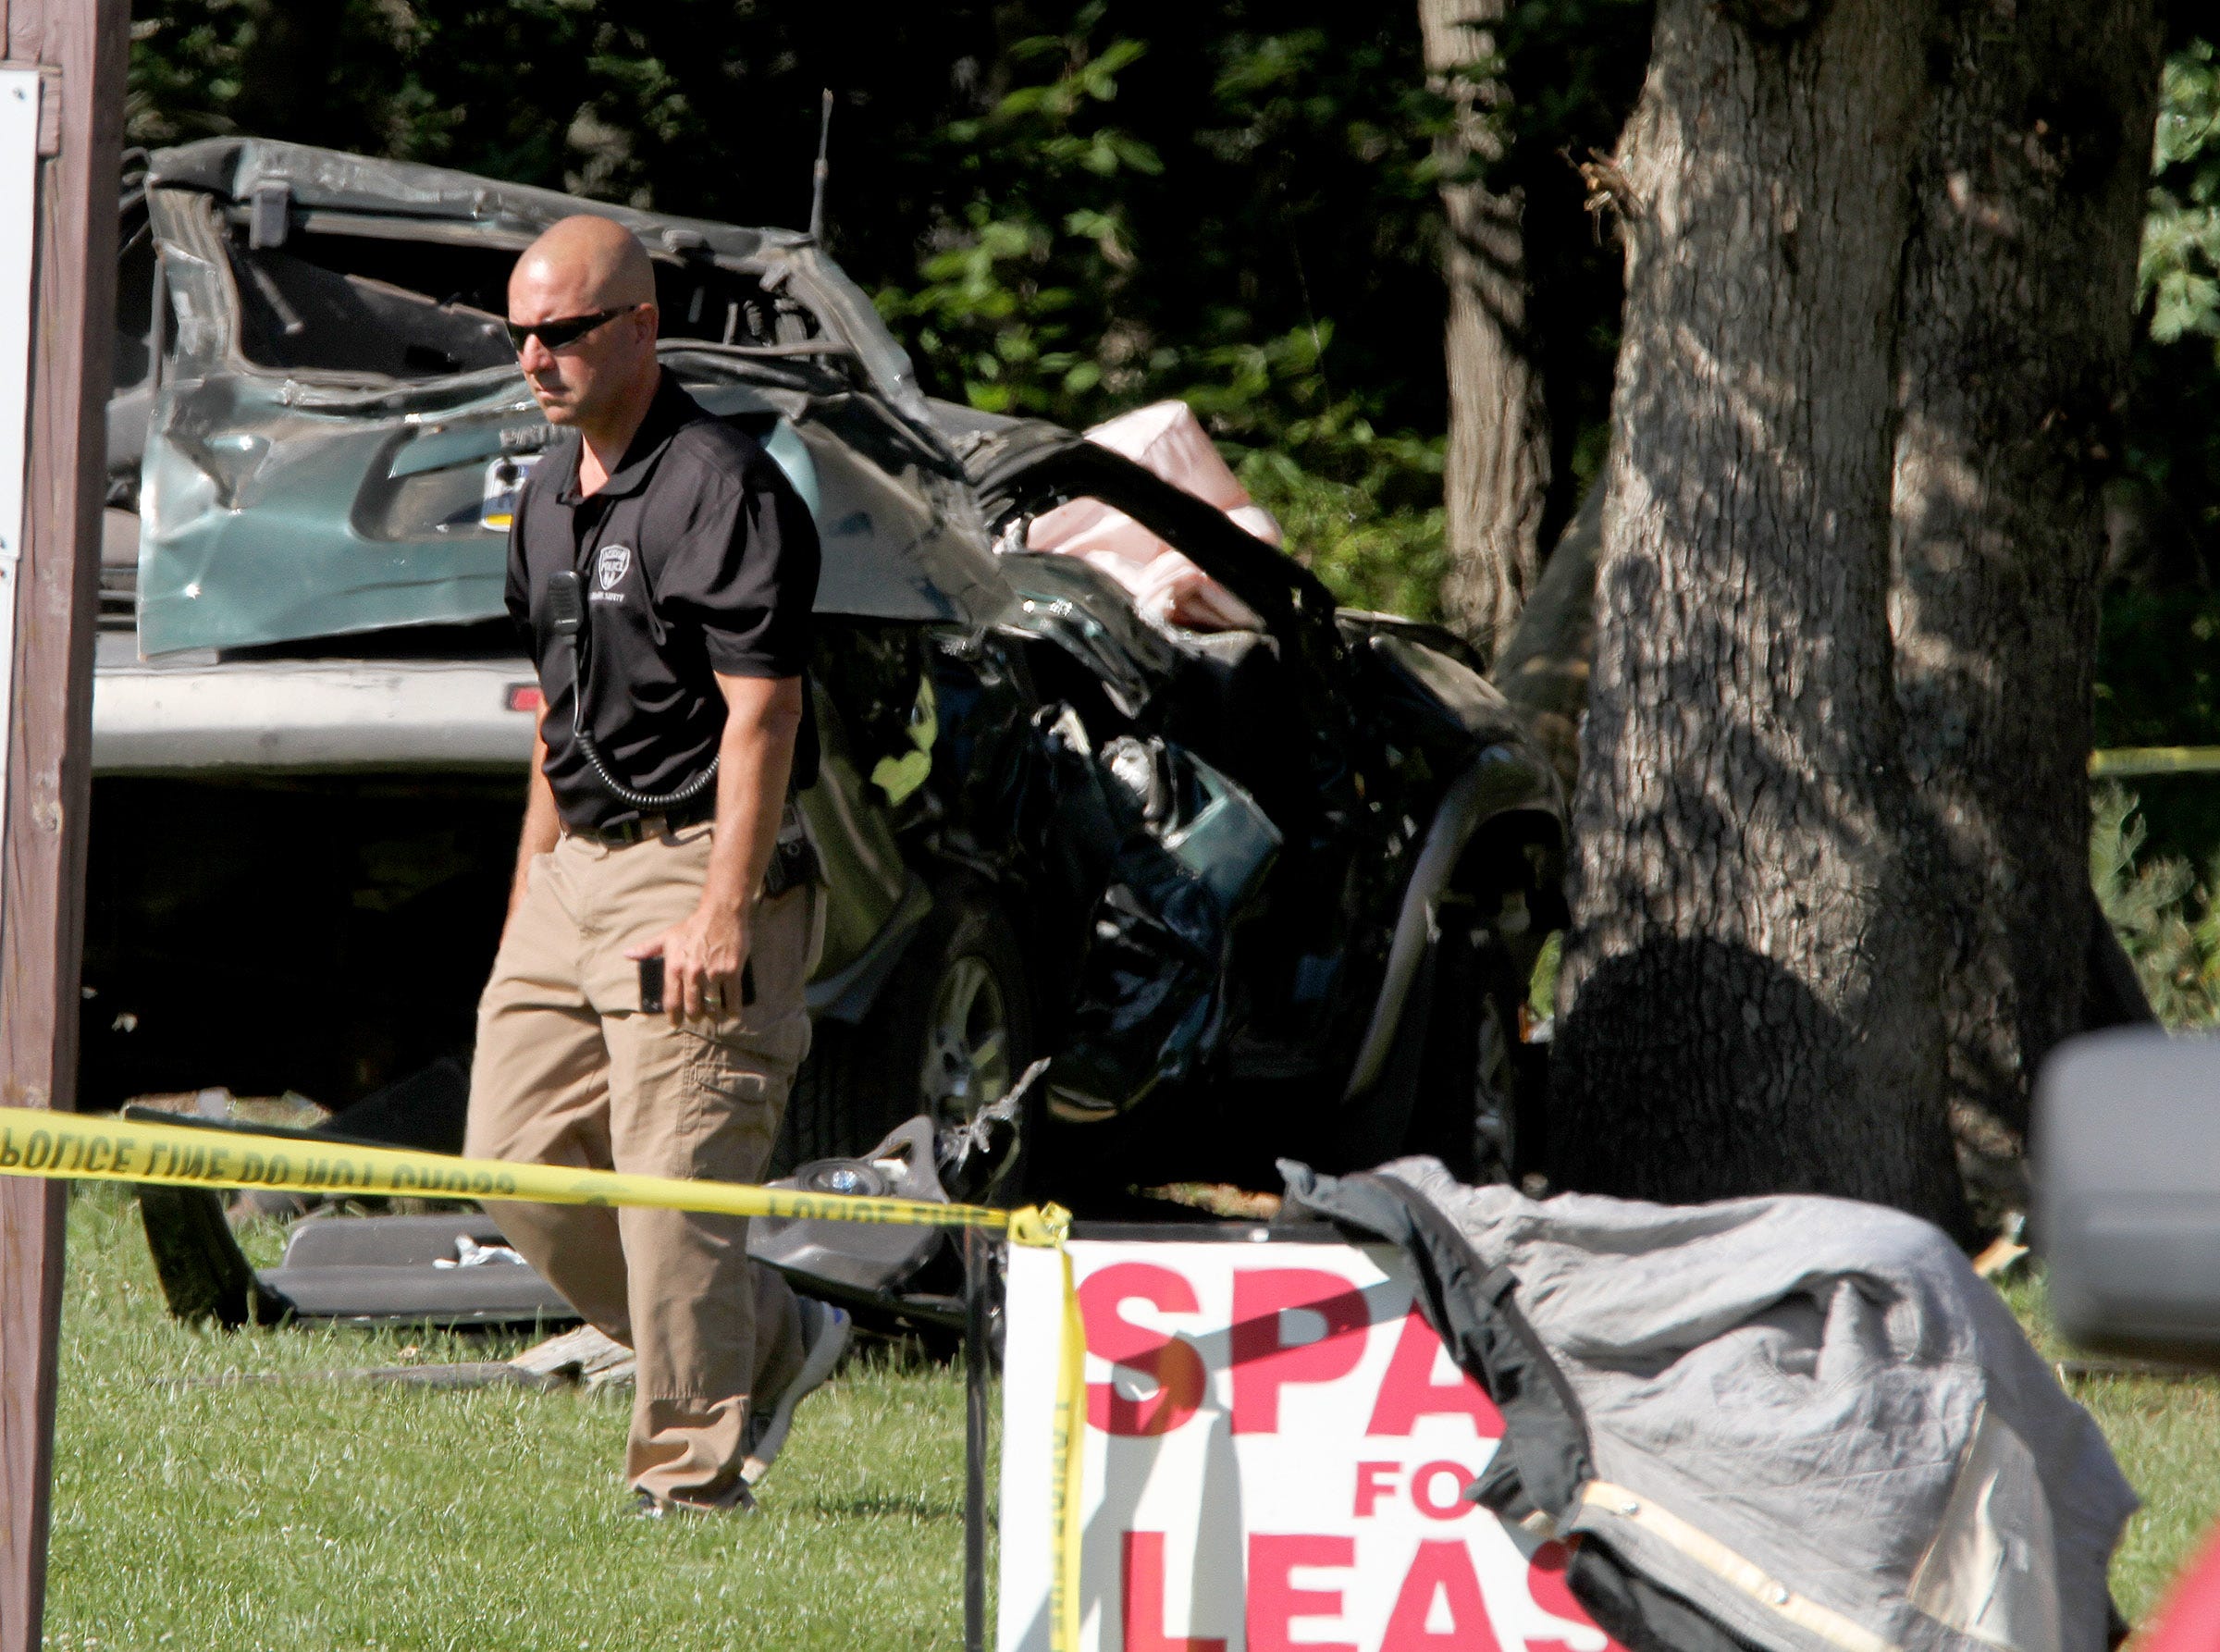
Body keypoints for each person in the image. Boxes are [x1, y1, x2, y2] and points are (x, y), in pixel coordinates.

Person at [464, 214, 847, 1517]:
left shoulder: (719, 484)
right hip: (576, 869)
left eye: (563, 331)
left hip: (697, 861)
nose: (536, 357)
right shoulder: (543, 495)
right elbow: (553, 711)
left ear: (640, 328)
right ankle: (769, 1334)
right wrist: (534, 881)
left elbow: (765, 715)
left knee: (668, 1191)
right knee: (513, 1161)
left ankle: (689, 1481)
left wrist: (723, 907)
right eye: (520, 333)